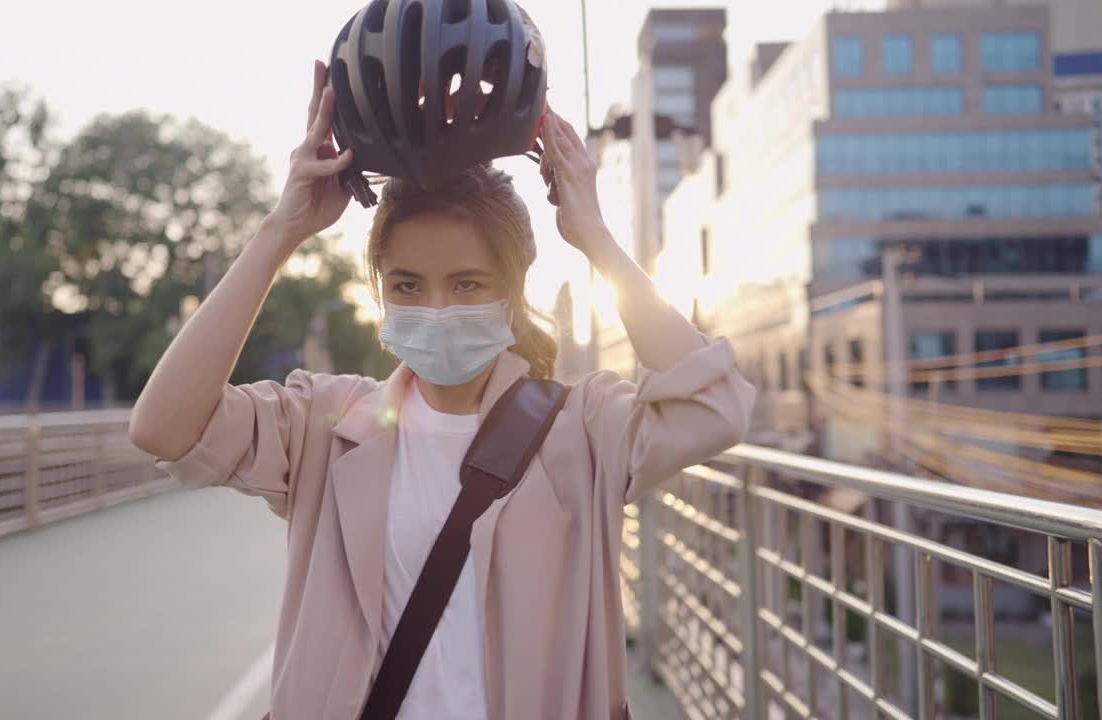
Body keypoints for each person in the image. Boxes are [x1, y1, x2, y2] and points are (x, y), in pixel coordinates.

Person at [128, 59, 754, 720]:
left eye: (467, 284)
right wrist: (279, 231)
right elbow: (165, 428)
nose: (436, 308)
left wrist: (593, 236)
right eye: (406, 286)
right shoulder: (325, 423)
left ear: (512, 293)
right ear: (380, 292)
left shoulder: (582, 427)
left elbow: (714, 410)